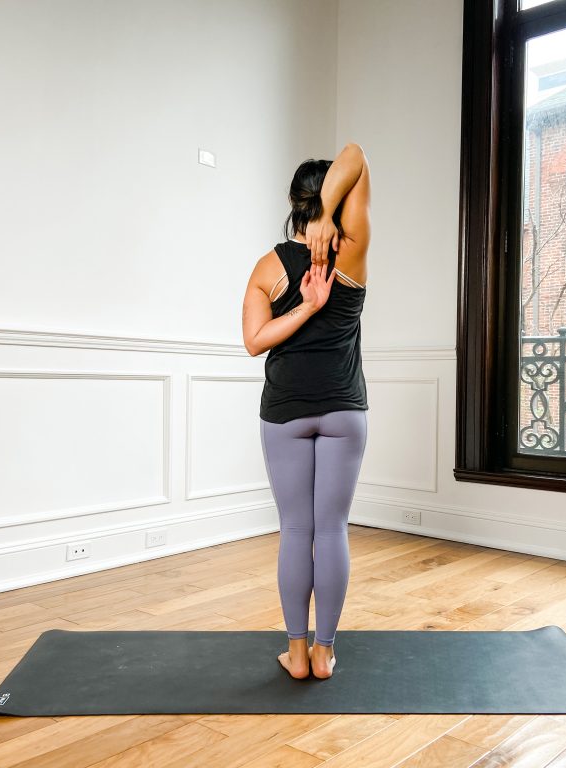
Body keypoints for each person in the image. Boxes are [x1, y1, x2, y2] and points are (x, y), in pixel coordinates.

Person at [241, 142, 371, 680]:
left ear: (295, 201)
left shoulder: (269, 266)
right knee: (332, 528)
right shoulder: (353, 249)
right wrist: (320, 302)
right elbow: (357, 155)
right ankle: (324, 652)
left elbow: (254, 341)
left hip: (286, 414)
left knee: (297, 530)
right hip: (344, 411)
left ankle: (295, 654)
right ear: (332, 203)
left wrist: (300, 306)